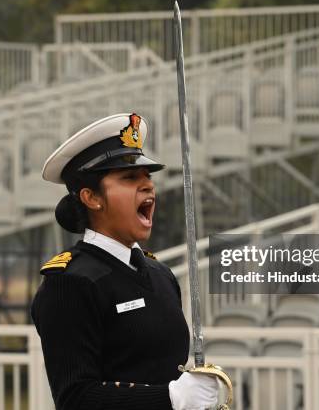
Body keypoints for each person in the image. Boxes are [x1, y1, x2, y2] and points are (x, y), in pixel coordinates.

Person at [31, 113, 220, 410]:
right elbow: (75, 399)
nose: (147, 186)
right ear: (92, 197)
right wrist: (172, 398)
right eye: (130, 177)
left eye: (148, 176)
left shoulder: (161, 275)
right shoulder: (69, 283)